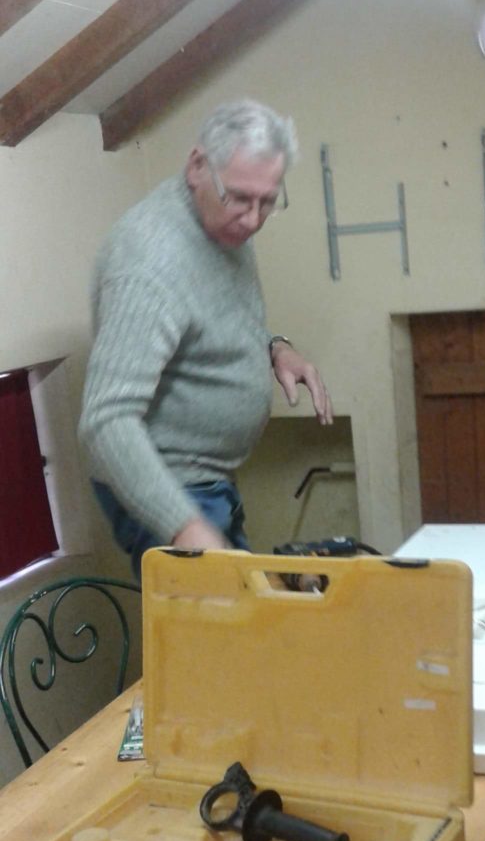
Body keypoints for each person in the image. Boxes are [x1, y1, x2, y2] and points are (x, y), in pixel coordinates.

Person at [79, 98, 332, 578]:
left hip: (208, 480)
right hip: (168, 486)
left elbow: (211, 316)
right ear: (197, 165)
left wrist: (274, 347)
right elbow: (105, 421)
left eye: (267, 202)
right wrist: (184, 526)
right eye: (240, 198)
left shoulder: (222, 222)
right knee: (220, 624)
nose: (252, 219)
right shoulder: (148, 263)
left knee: (245, 618)